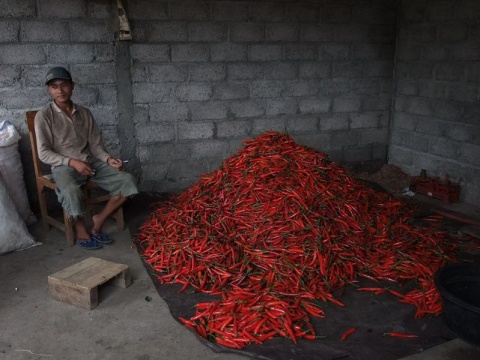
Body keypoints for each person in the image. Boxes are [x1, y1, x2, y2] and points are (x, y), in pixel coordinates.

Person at [35, 66, 138, 249]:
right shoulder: (44, 116)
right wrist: (72, 162)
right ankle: (80, 228)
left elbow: (96, 146)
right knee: (71, 191)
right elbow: (44, 153)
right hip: (63, 166)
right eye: (54, 86)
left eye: (64, 85)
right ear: (49, 89)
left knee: (127, 180)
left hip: (90, 163)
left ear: (72, 86)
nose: (60, 90)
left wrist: (108, 159)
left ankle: (98, 221)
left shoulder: (84, 112)